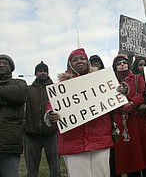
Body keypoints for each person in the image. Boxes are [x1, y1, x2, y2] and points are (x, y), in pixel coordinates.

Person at [46, 48, 115, 177]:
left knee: (102, 174)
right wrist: (50, 114)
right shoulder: (62, 86)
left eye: (82, 58)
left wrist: (121, 91)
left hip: (99, 138)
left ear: (87, 62)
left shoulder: (101, 81)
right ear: (70, 63)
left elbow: (114, 97)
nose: (79, 61)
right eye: (75, 59)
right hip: (73, 142)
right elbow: (52, 104)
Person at [112, 54, 146, 177]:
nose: (122, 64)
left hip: (140, 120)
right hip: (124, 123)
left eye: (124, 62)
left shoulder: (138, 78)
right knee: (132, 159)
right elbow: (110, 102)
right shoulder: (110, 83)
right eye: (118, 63)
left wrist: (132, 102)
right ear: (114, 67)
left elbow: (143, 94)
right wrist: (123, 105)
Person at [25, 61, 60, 177]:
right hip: (31, 134)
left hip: (51, 133)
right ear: (36, 73)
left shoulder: (56, 89)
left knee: (55, 166)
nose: (42, 73)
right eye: (40, 71)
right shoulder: (28, 90)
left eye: (44, 71)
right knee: (31, 168)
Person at [0, 54, 28, 177]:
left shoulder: (20, 82)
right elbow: (13, 97)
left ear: (11, 68)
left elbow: (20, 95)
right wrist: (8, 98)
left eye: (5, 63)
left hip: (9, 144)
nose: (1, 65)